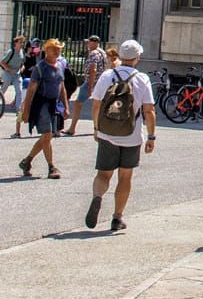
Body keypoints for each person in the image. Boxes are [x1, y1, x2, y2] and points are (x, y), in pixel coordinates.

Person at [86, 39, 157, 232]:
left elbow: (96, 104)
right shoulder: (142, 78)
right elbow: (149, 110)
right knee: (125, 176)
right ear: (137, 57)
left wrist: (96, 128)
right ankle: (117, 218)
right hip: (131, 135)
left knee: (103, 174)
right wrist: (151, 136)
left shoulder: (108, 75)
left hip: (107, 132)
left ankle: (97, 197)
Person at [18, 39, 67, 179]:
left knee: (48, 136)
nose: (57, 51)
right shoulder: (40, 67)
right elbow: (31, 91)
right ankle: (51, 167)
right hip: (41, 104)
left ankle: (27, 161)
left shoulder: (60, 66)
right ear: (46, 50)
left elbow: (61, 86)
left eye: (59, 49)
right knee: (47, 135)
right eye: (54, 49)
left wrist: (66, 106)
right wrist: (26, 111)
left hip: (53, 105)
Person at [66, 36, 106, 135]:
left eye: (89, 42)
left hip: (91, 81)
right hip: (100, 81)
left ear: (94, 42)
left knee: (78, 103)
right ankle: (97, 128)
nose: (87, 44)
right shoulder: (102, 52)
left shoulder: (94, 53)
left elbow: (93, 69)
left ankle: (72, 128)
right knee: (98, 105)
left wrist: (90, 86)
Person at [0, 35, 29, 131]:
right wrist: (9, 69)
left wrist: (22, 68)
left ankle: (18, 110)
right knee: (4, 88)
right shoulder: (11, 52)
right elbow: (2, 62)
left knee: (19, 91)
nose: (22, 44)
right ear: (16, 43)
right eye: (20, 42)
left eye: (23, 42)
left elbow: (22, 63)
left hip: (17, 74)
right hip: (8, 73)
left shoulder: (22, 52)